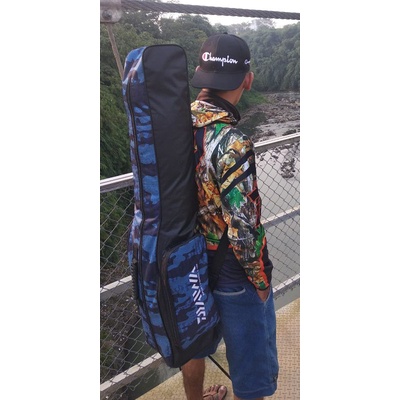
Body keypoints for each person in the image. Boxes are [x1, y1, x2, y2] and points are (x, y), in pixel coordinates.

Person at [181, 33, 279, 400]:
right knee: (252, 369)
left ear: (199, 73)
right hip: (231, 270)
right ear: (247, 80)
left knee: (195, 345)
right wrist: (259, 278)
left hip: (186, 261)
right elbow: (243, 224)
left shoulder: (174, 124)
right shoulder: (232, 141)